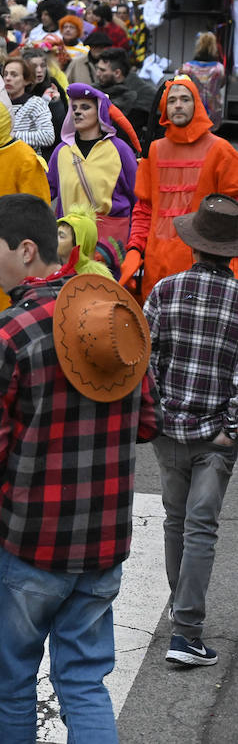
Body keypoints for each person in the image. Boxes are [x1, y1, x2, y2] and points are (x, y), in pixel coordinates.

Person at [0, 193, 156, 742]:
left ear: (27, 251)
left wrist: (12, 467)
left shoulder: (9, 332)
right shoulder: (114, 314)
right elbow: (148, 422)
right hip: (103, 538)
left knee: (13, 680)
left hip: (33, 535)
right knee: (83, 680)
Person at [143, 194, 238, 667]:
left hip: (167, 428)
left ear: (195, 245)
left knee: (176, 520)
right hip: (216, 435)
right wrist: (232, 429)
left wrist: (157, 410)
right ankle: (186, 631)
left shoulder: (163, 290)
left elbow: (143, 358)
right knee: (202, 527)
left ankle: (181, 620)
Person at [123, 76, 238, 297]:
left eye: (185, 99)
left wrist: (232, 261)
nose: (177, 104)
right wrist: (135, 249)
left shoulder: (222, 151)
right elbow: (144, 208)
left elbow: (233, 213)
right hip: (157, 265)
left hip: (207, 265)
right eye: (172, 99)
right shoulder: (154, 151)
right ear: (164, 107)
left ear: (196, 104)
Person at [0, 95, 50, 325]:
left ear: (3, 121)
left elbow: (38, 215)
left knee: (9, 319)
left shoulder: (25, 157)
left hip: (11, 258)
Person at [47, 83, 137, 256]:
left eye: (85, 107)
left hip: (110, 243)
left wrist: (135, 242)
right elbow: (45, 191)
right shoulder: (61, 151)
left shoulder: (120, 150)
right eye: (74, 108)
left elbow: (137, 198)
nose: (77, 112)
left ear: (100, 112)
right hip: (71, 243)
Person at [1, 55, 56, 152]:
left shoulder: (35, 103)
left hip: (28, 164)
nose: (8, 78)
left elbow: (48, 136)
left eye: (14, 75)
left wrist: (11, 136)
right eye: (5, 74)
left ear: (26, 80)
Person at [180, 32, 225, 122]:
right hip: (212, 112)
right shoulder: (219, 68)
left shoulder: (187, 68)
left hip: (192, 111)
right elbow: (221, 84)